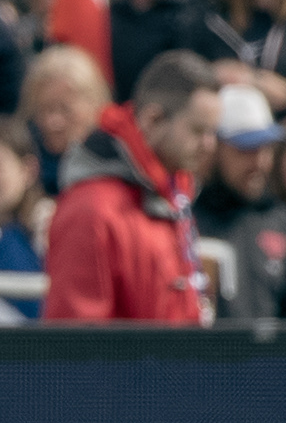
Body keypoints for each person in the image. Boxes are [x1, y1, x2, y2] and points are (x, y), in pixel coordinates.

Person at [42, 50, 218, 324]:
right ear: (152, 120)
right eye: (198, 131)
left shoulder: (170, 194)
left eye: (212, 132)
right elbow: (76, 336)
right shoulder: (92, 210)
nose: (209, 145)